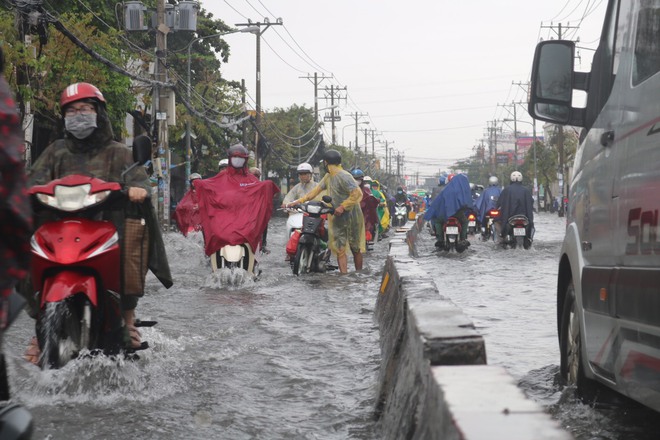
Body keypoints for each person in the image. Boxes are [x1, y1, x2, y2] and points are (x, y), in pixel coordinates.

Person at [27, 82, 173, 351]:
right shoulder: (55, 152)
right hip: (61, 231)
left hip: (108, 229)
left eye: (84, 109)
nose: (78, 115)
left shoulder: (117, 152)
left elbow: (139, 180)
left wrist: (137, 191)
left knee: (135, 230)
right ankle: (41, 325)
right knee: (27, 235)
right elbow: (33, 181)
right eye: (71, 111)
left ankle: (127, 317)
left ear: (99, 113)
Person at [176, 143, 280, 259]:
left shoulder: (251, 180)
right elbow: (208, 185)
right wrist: (198, 184)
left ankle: (256, 257)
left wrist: (267, 186)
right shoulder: (220, 179)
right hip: (223, 221)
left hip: (245, 220)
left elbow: (259, 189)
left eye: (240, 158)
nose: (237, 160)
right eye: (235, 157)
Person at [286, 149, 365, 273]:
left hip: (351, 215)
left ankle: (359, 274)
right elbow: (315, 191)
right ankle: (344, 276)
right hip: (336, 215)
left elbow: (357, 193)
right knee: (340, 248)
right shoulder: (328, 177)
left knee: (355, 247)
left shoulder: (345, 176)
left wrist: (343, 206)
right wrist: (299, 201)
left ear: (327, 163)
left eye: (325, 163)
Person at [423, 173, 472, 251]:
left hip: (445, 214)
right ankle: (463, 239)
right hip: (457, 214)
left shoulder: (444, 190)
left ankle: (440, 239)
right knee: (465, 221)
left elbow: (437, 202)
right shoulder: (460, 190)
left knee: (438, 222)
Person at [498, 171, 534, 247]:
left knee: (501, 228)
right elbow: (531, 202)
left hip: (510, 217)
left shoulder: (506, 190)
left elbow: (500, 202)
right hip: (524, 217)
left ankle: (503, 236)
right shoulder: (526, 190)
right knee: (531, 227)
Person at [352, 168, 379, 245]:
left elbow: (373, 200)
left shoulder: (366, 190)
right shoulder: (348, 190)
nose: (356, 181)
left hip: (364, 215)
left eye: (358, 179)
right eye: (354, 179)